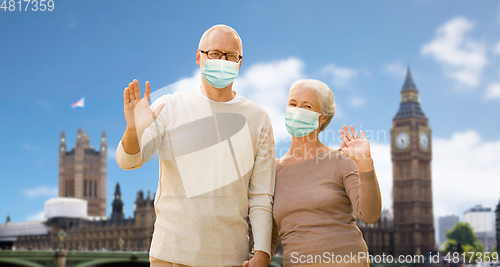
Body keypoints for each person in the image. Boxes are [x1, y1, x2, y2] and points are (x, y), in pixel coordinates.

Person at [116, 25, 275, 267]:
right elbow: (129, 161)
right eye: (214, 53)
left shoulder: (258, 118)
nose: (223, 60)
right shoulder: (170, 106)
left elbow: (261, 195)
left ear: (240, 63)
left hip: (231, 256)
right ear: (199, 57)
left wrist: (262, 253)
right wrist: (133, 130)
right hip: (171, 254)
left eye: (231, 56)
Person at [244, 79, 382, 267]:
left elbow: (370, 214)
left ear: (322, 117)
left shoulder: (341, 160)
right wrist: (259, 257)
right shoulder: (272, 171)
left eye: (306, 106)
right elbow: (270, 232)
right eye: (293, 104)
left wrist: (366, 164)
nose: (297, 110)